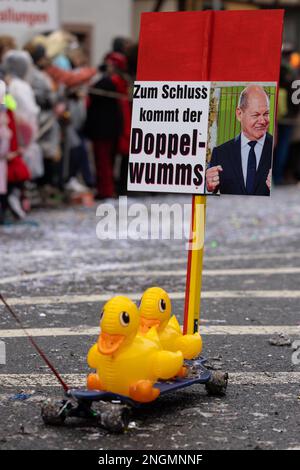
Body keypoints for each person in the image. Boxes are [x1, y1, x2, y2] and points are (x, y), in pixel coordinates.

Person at [206, 85, 273, 196]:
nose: (262, 121)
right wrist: (208, 186)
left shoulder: (276, 148)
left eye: (266, 114)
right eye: (256, 115)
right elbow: (211, 193)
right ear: (239, 114)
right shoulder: (220, 153)